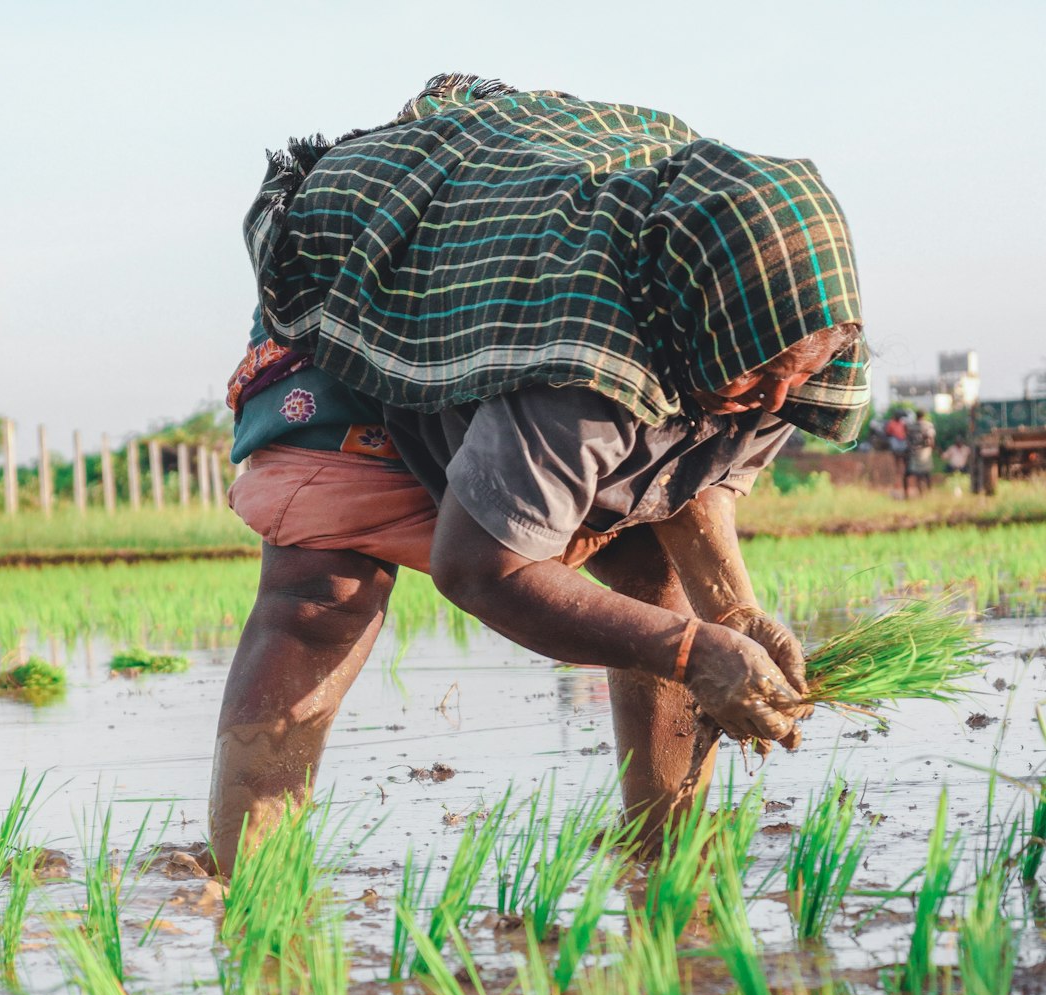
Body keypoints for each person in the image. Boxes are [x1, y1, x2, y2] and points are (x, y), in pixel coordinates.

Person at [210, 75, 871, 874]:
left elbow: (692, 480)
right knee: (322, 595)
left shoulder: (783, 333)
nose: (774, 399)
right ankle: (251, 881)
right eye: (757, 374)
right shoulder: (582, 365)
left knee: (642, 569)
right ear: (696, 322)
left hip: (540, 296)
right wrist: (700, 652)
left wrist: (735, 612)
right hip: (376, 280)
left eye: (795, 377)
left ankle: (664, 859)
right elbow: (481, 570)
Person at [904, 410, 937, 496]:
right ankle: (929, 491)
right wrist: (932, 448)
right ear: (924, 415)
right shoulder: (928, 425)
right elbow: (931, 439)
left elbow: (907, 440)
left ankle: (920, 491)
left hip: (914, 452)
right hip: (925, 451)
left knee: (917, 473)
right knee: (927, 472)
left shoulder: (911, 426)